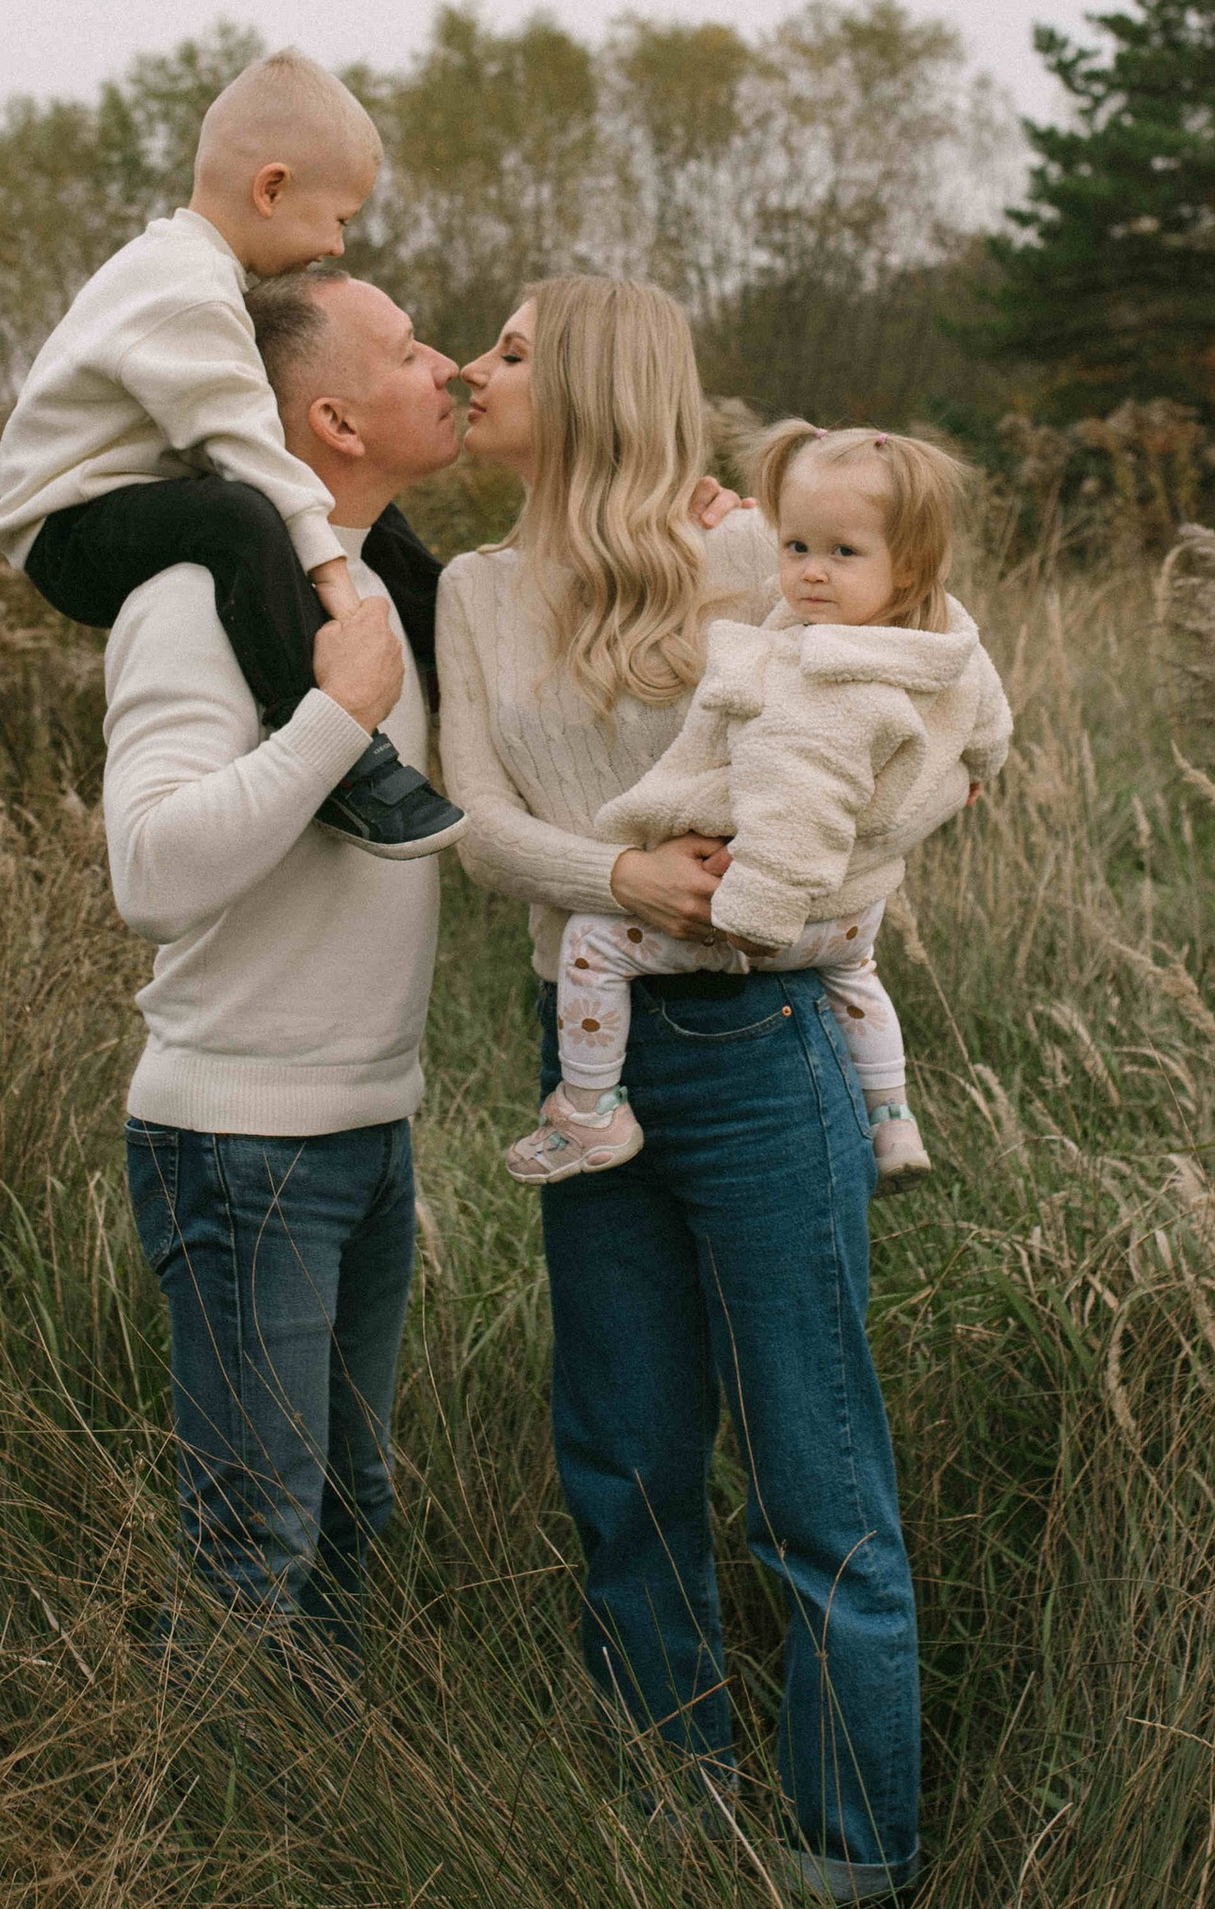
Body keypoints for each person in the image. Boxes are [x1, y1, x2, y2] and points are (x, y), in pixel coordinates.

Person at [436, 277, 925, 1902]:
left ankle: (851, 1854)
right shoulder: (473, 587)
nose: (472, 369)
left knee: (815, 1478)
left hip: (754, 1043)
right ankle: (669, 1815)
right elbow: (474, 819)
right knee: (625, 1457)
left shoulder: (748, 559)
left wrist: (810, 890)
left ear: (590, 381)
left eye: (510, 350)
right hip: (580, 1049)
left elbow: (884, 738)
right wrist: (622, 875)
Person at [105, 267, 460, 1655]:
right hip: (243, 1143)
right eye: (411, 349)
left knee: (352, 1507)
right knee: (255, 1537)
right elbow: (151, 873)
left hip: (369, 1130)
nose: (445, 368)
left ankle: (314, 1810)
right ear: (335, 419)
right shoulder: (193, 601)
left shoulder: (381, 585)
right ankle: (186, 1832)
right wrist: (336, 722)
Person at [507, 419, 1010, 1190]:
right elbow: (985, 713)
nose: (811, 573)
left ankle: (591, 1108)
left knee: (591, 944)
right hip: (853, 913)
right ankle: (890, 1118)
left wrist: (753, 913)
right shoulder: (942, 637)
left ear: (906, 569)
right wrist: (980, 765)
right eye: (796, 546)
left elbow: (797, 806)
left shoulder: (821, 684)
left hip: (780, 912)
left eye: (844, 553)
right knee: (858, 976)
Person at [0, 48, 464, 859]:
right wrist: (340, 600)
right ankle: (343, 761)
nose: (339, 245)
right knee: (240, 516)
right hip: (66, 531)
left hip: (130, 496)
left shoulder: (192, 272)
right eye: (340, 218)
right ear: (271, 188)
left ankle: (452, 642)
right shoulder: (186, 291)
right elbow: (258, 459)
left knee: (361, 520)